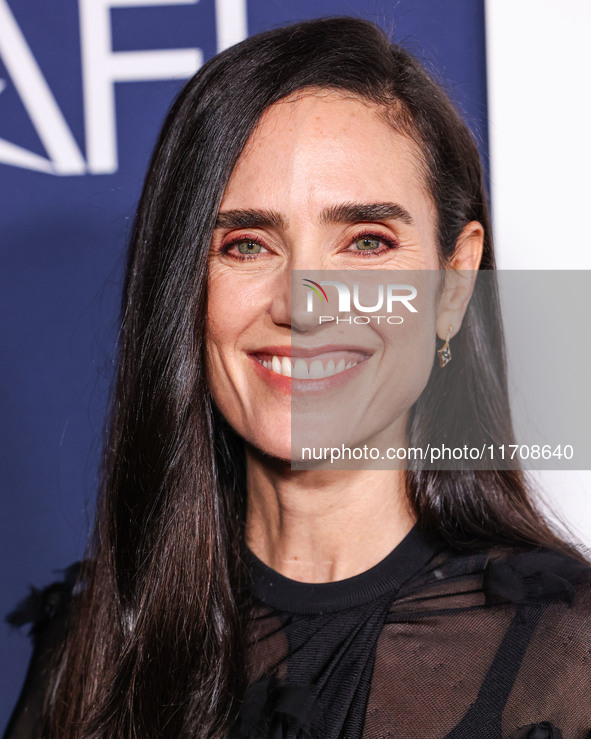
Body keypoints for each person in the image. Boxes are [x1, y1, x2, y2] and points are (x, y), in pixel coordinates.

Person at [5, 16, 591, 739]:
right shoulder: (89, 654)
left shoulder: (571, 662)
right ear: (185, 285)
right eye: (246, 244)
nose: (300, 304)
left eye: (366, 242)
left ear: (453, 283)